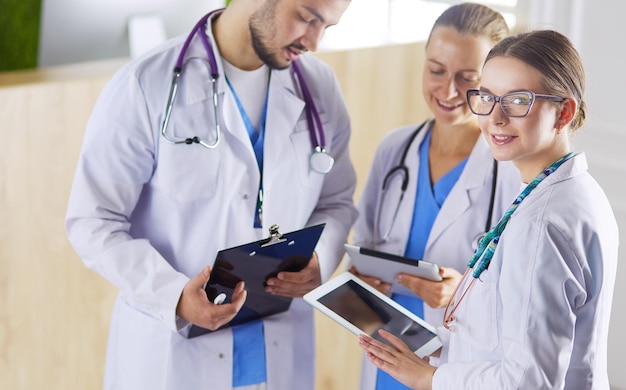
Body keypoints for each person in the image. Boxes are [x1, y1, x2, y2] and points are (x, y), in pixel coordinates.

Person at [64, 0, 357, 389]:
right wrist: (171, 295)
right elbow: (93, 221)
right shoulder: (146, 84)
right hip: (175, 355)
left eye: (327, 26)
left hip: (275, 351)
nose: (315, 41)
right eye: (307, 18)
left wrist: (321, 258)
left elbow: (335, 201)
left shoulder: (319, 88)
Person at [358, 29, 619, 390]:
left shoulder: (542, 221)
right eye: (487, 97)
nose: (495, 117)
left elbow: (528, 381)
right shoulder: (567, 191)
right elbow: (509, 335)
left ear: (564, 113)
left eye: (517, 101)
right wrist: (443, 346)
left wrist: (429, 378)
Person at [350, 3, 520, 389]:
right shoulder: (395, 149)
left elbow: (523, 298)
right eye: (436, 70)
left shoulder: (509, 172)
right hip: (384, 355)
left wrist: (463, 294)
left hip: (457, 367)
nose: (448, 90)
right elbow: (364, 246)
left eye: (467, 78)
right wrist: (360, 280)